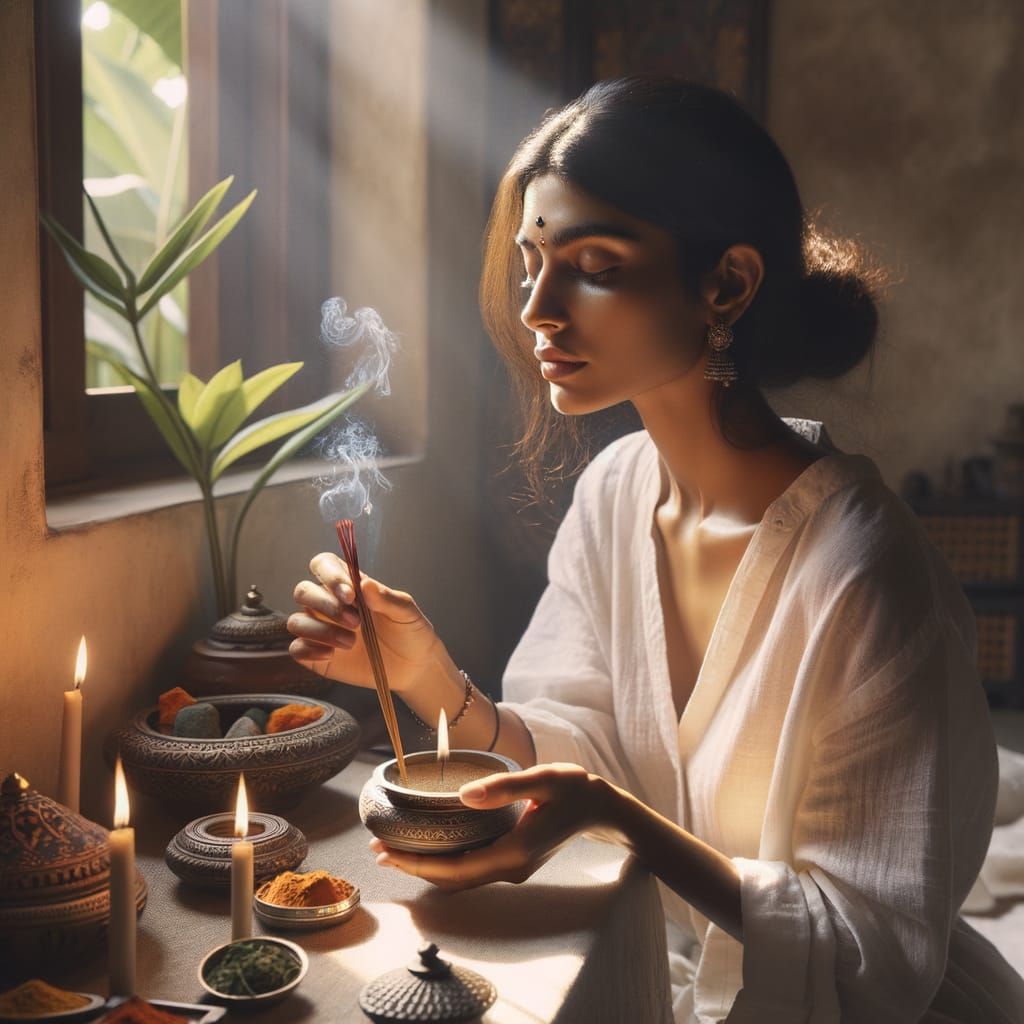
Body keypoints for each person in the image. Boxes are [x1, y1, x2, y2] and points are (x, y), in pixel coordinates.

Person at [288, 76, 1024, 1022]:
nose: (539, 308)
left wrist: (614, 814)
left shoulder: (867, 575)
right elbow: (575, 751)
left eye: (593, 264)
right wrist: (428, 675)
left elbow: (869, 952)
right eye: (530, 260)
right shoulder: (617, 492)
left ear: (726, 284)